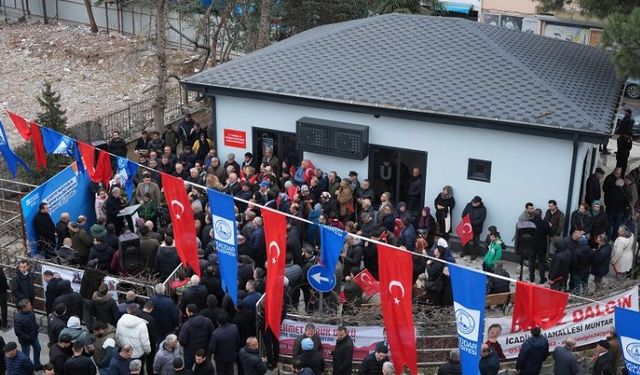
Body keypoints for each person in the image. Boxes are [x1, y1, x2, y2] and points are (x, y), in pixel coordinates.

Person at [179, 304, 214, 370]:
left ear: (190, 312)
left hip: (190, 353)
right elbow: (212, 335)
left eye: (186, 311)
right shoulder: (207, 321)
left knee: (188, 370)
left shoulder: (186, 325)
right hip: (204, 351)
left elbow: (182, 342)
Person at [14, 299, 42, 371]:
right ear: (24, 308)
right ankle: (27, 368)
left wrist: (36, 328)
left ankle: (37, 365)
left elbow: (33, 322)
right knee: (26, 355)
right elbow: (18, 332)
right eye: (29, 305)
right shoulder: (18, 318)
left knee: (38, 349)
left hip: (34, 337)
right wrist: (28, 337)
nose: (31, 306)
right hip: (25, 341)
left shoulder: (31, 312)